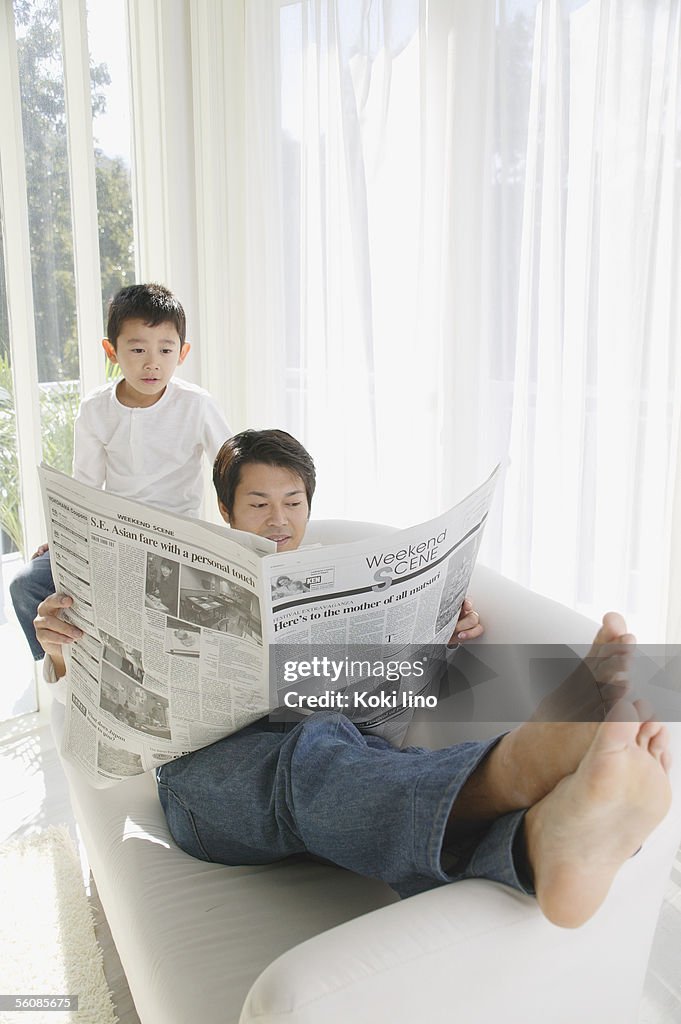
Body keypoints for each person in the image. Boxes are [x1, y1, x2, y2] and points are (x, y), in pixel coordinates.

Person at [35, 430, 672, 928]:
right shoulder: (175, 571)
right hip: (206, 780)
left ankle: (539, 841)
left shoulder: (331, 574)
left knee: (328, 749)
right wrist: (63, 651)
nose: (279, 519)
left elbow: (381, 687)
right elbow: (98, 697)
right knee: (311, 759)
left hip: (339, 751)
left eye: (294, 502)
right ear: (226, 509)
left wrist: (435, 627)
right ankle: (512, 767)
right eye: (259, 503)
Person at [11, 283, 231, 659]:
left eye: (165, 350)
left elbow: (230, 470)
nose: (152, 363)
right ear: (112, 351)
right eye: (138, 349)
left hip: (175, 540)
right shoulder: (96, 409)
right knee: (27, 583)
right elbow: (84, 486)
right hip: (110, 538)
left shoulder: (196, 404)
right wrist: (62, 537)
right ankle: (65, 667)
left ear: (182, 354)